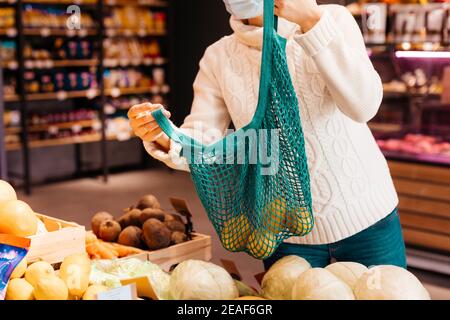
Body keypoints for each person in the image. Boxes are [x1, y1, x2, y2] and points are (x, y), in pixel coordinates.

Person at [128, 0, 407, 269]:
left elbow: (364, 106)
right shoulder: (219, 57)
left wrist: (312, 23)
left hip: (366, 217)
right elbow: (203, 141)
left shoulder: (332, 19)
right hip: (286, 229)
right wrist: (165, 137)